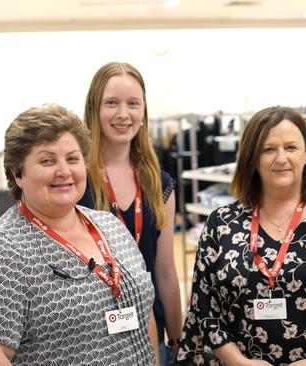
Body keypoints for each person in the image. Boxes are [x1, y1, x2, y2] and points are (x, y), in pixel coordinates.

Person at [175, 106, 306, 365]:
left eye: (291, 148)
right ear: (252, 158)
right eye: (268, 149)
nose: (280, 158)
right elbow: (204, 302)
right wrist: (238, 362)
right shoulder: (222, 222)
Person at [0, 104, 158, 366]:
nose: (63, 171)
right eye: (47, 160)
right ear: (18, 173)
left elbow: (145, 316)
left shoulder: (111, 227)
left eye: (72, 158)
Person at [78, 61, 183, 364]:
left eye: (133, 104)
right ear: (94, 108)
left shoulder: (159, 183)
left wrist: (177, 341)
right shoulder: (75, 181)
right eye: (112, 103)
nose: (123, 114)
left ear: (143, 112)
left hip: (150, 334)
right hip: (91, 337)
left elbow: (165, 270)